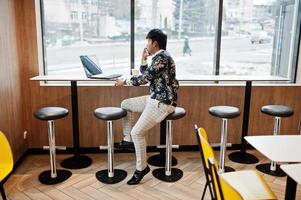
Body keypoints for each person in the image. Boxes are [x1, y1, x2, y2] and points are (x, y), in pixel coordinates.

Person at [114, 29, 179, 185]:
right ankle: (128, 139)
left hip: (162, 103)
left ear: (154, 43)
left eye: (148, 41)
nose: (146, 45)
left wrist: (125, 82)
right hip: (153, 98)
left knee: (138, 132)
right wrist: (143, 59)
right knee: (126, 104)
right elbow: (147, 74)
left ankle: (141, 168)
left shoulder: (162, 58)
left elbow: (144, 78)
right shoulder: (159, 57)